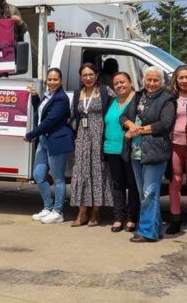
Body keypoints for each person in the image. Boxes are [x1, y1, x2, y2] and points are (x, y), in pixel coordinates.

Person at [121, 67, 175, 243]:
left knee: (149, 192)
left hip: (155, 151)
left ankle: (146, 231)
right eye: (148, 80)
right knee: (143, 192)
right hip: (136, 152)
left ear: (162, 82)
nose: (151, 84)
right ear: (143, 81)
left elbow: (165, 124)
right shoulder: (138, 96)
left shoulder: (167, 99)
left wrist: (138, 131)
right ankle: (155, 229)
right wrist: (130, 125)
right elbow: (123, 117)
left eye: (156, 80)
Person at [25, 68, 74, 225]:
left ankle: (58, 212)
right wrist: (35, 98)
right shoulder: (48, 96)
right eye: (50, 79)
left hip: (57, 140)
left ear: (60, 81)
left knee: (58, 178)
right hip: (44, 140)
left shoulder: (61, 98)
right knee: (39, 175)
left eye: (55, 79)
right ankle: (48, 207)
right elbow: (41, 114)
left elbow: (50, 121)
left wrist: (30, 134)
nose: (52, 82)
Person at [68, 63, 113, 227]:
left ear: (97, 75)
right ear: (81, 77)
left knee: (98, 174)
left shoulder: (105, 91)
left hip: (99, 137)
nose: (88, 78)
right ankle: (81, 213)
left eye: (91, 74)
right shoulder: (77, 93)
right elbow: (73, 116)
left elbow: (116, 109)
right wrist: (74, 135)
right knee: (81, 174)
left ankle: (95, 213)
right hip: (82, 138)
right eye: (84, 75)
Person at [166, 64, 187, 236]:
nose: (184, 81)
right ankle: (175, 219)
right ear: (176, 80)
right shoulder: (170, 97)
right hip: (174, 144)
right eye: (181, 78)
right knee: (175, 181)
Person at [103, 71, 139, 233]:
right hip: (111, 149)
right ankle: (118, 217)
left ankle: (132, 218)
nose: (120, 85)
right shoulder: (112, 101)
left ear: (130, 82)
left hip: (129, 149)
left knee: (132, 185)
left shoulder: (137, 100)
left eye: (123, 82)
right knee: (117, 185)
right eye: (116, 83)